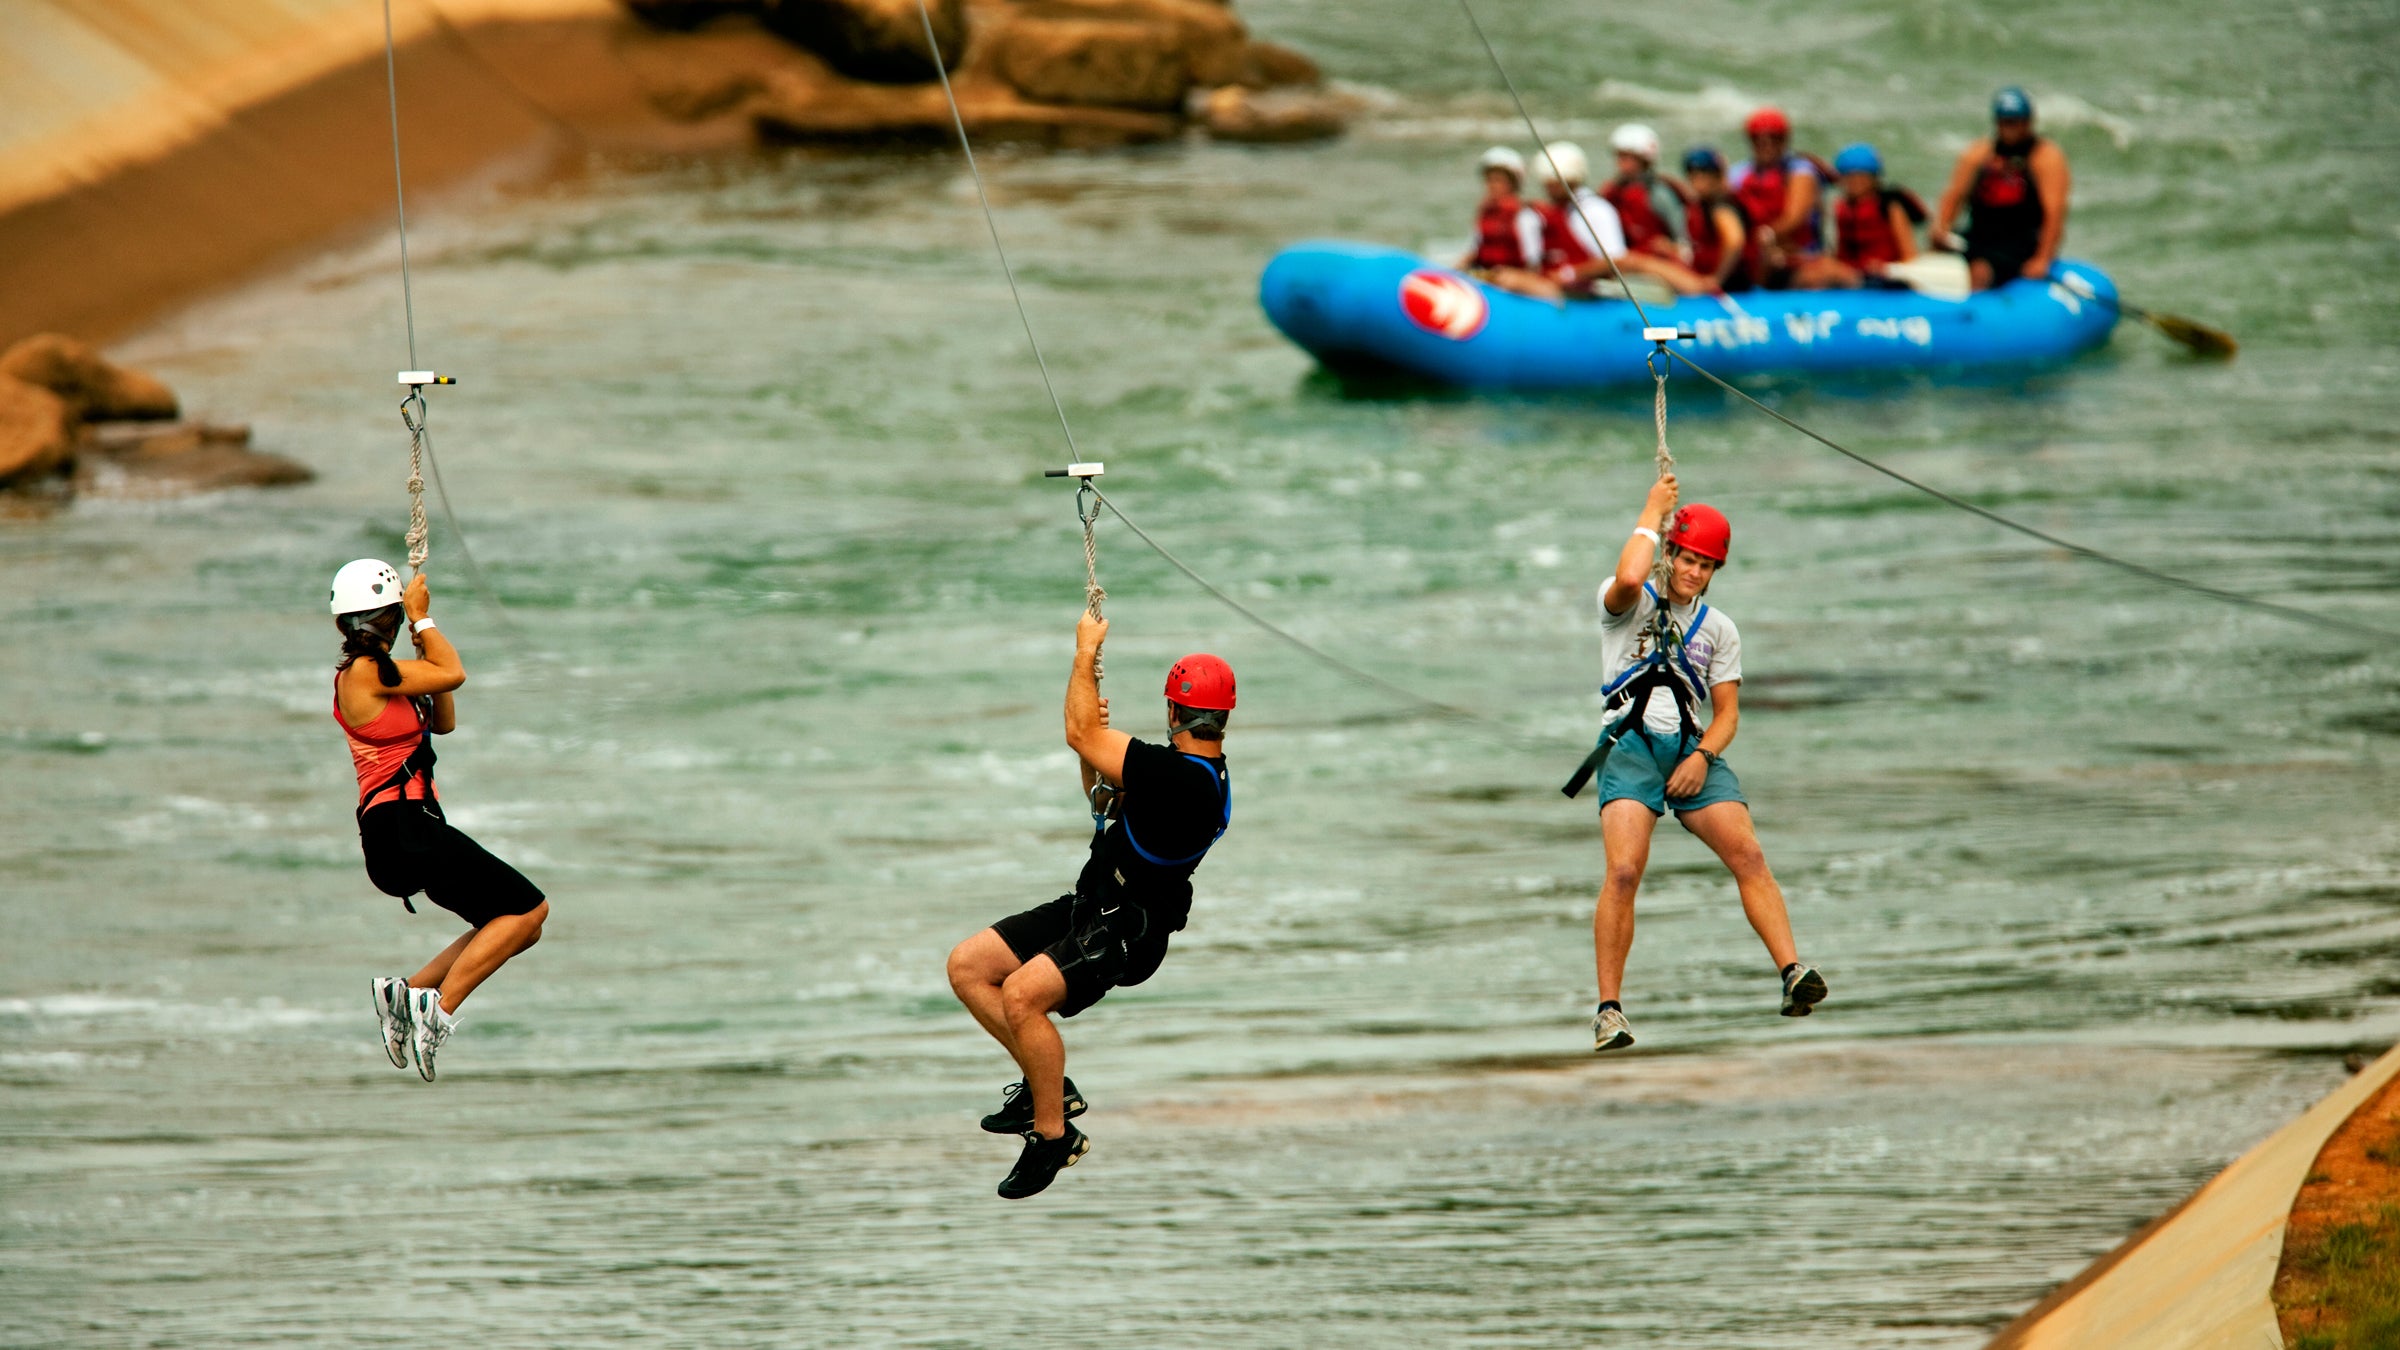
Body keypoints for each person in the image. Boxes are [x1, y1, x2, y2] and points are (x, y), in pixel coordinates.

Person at [945, 615, 1235, 1199]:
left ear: (1173, 711)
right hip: (1095, 903)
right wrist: (1094, 753)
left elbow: (1079, 732)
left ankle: (1053, 1135)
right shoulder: (1183, 776)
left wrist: (1085, 652)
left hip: (1127, 928)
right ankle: (1047, 1085)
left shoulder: (1184, 778)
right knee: (970, 966)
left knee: (1022, 996)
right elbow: (1104, 797)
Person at [1571, 474, 1825, 1052]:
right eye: (1687, 559)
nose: (1694, 573)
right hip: (1630, 747)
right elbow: (1631, 575)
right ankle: (1609, 1010)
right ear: (1670, 552)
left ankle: (1792, 974)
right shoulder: (1626, 604)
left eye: (1706, 566)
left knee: (1749, 852)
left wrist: (1705, 755)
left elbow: (1728, 714)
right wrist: (1652, 509)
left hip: (1691, 748)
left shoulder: (1719, 629)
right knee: (1624, 871)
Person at [330, 560, 549, 1082]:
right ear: (390, 615)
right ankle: (440, 1008)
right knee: (530, 909)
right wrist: (425, 621)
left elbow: (444, 719)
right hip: (406, 830)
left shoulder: (388, 674)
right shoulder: (364, 675)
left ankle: (410, 992)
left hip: (405, 834)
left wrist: (423, 644)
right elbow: (456, 671)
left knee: (512, 927)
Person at [1933, 86, 2071, 290]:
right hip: (1978, 237)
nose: (2009, 128)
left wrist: (2042, 259)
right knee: (1936, 257)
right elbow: (1954, 196)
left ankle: (1973, 313)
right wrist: (1941, 229)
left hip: (2018, 243)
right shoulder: (1979, 154)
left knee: (1980, 270)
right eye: (2004, 121)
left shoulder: (2045, 157)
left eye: (2015, 121)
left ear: (2028, 122)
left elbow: (2054, 212)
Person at [1728, 107, 1826, 290]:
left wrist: (1767, 235)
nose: (1766, 145)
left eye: (1774, 138)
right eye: (1759, 139)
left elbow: (1795, 218)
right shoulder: (1738, 173)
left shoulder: (1800, 171)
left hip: (1797, 252)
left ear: (1784, 141)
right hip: (1756, 254)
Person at [1458, 145, 1561, 302]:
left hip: (1517, 283)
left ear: (1513, 184)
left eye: (1498, 180)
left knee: (1506, 278)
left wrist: (1513, 279)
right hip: (1490, 280)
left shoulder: (1525, 217)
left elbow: (1533, 265)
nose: (1492, 185)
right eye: (1489, 180)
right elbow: (1472, 252)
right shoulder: (1486, 214)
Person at [1530, 141, 1625, 298]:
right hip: (1556, 288)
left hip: (1588, 294)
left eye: (1553, 185)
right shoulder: (1556, 211)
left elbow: (1616, 262)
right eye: (1547, 185)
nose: (1548, 190)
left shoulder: (1595, 210)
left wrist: (1570, 274)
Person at [1823, 143, 1923, 288]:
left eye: (1862, 177)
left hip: (1886, 278)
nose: (1855, 183)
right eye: (1850, 177)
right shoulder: (1840, 207)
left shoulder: (1890, 206)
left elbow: (1910, 256)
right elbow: (1839, 253)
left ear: (1874, 178)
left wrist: (1887, 268)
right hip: (1852, 276)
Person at [1600, 124, 1690, 263]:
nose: (1620, 162)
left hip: (1659, 264)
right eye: (1619, 156)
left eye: (1626, 157)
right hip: (1626, 262)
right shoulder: (1612, 192)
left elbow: (1683, 240)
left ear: (1644, 160)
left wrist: (1671, 247)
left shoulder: (1659, 194)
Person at [1681, 146, 1755, 293]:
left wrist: (1718, 279)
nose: (1697, 181)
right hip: (1707, 275)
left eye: (1703, 175)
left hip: (1729, 284)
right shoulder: (1706, 204)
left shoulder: (1720, 207)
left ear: (1717, 176)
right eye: (1693, 175)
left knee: (1639, 263)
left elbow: (1734, 242)